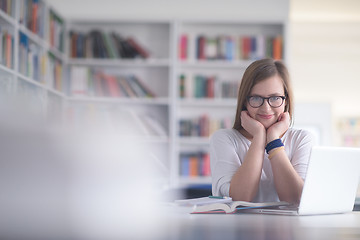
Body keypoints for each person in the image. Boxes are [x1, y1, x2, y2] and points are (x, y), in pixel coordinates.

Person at [210, 58, 314, 204]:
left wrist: (273, 140)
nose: (266, 108)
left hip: (287, 227)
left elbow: (295, 199)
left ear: (286, 101)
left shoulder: (301, 139)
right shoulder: (224, 139)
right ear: (245, 101)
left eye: (275, 98)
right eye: (256, 98)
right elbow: (241, 197)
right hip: (237, 227)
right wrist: (259, 136)